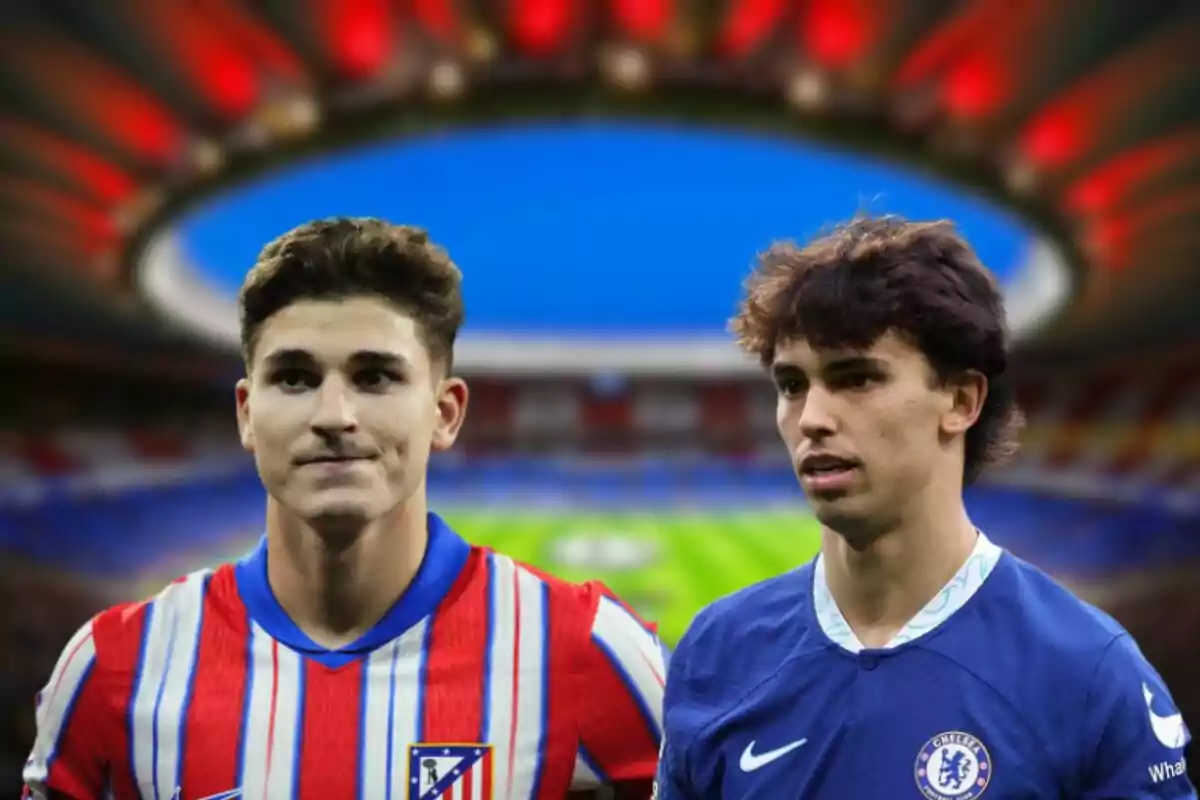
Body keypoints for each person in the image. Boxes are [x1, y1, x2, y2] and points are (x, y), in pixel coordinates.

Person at [24, 218, 664, 800]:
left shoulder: (588, 648)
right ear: (247, 413)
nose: (334, 416)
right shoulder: (115, 667)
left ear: (445, 413)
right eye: (295, 379)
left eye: (376, 377)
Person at [654, 216, 1195, 799]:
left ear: (960, 400)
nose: (811, 417)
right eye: (792, 385)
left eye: (856, 378)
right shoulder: (717, 652)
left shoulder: (1088, 672)